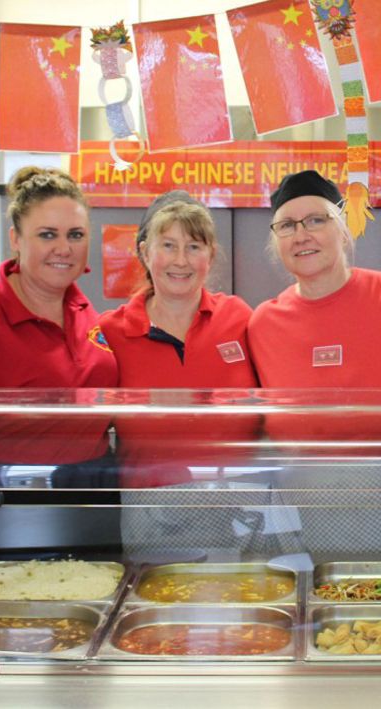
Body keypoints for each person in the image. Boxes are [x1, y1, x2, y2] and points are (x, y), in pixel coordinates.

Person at [248, 170, 381, 556]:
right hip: (300, 501)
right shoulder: (262, 323)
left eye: (316, 220)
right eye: (287, 225)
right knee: (309, 589)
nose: (301, 235)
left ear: (342, 228)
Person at [0, 167, 118, 496]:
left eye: (75, 235)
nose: (64, 248)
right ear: (15, 239)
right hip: (4, 497)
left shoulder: (85, 311)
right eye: (47, 235)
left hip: (92, 489)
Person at [96, 192, 262, 560]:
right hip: (152, 513)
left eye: (194, 246)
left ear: (211, 255)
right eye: (168, 245)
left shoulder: (239, 318)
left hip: (240, 506)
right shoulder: (111, 332)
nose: (181, 260)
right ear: (144, 252)